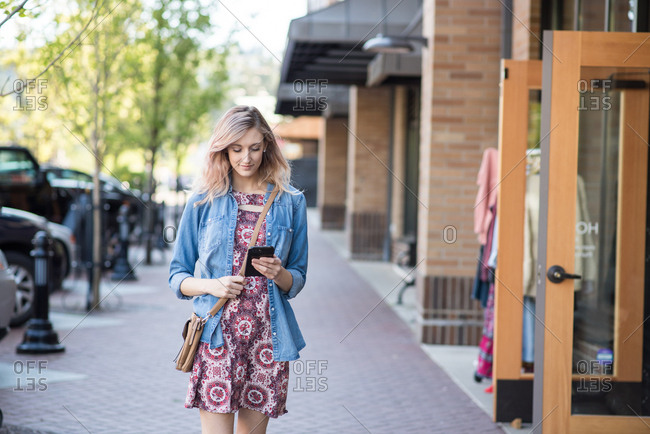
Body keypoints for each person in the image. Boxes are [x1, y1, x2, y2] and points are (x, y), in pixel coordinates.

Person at [169, 105, 308, 434]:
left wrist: (279, 273)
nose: (246, 157)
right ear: (223, 149)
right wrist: (212, 285)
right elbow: (177, 276)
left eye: (255, 148)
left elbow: (298, 278)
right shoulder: (204, 200)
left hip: (267, 339)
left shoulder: (291, 202)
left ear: (267, 147)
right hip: (218, 336)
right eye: (236, 148)